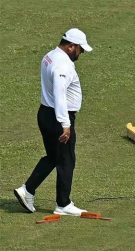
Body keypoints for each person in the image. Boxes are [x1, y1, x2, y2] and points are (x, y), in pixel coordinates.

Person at [14, 28, 92, 215]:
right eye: (80, 49)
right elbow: (59, 94)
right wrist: (65, 124)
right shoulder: (62, 66)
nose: (80, 53)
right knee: (66, 160)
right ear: (71, 46)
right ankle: (63, 204)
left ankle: (27, 190)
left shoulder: (50, 55)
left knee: (54, 157)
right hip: (58, 118)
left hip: (46, 114)